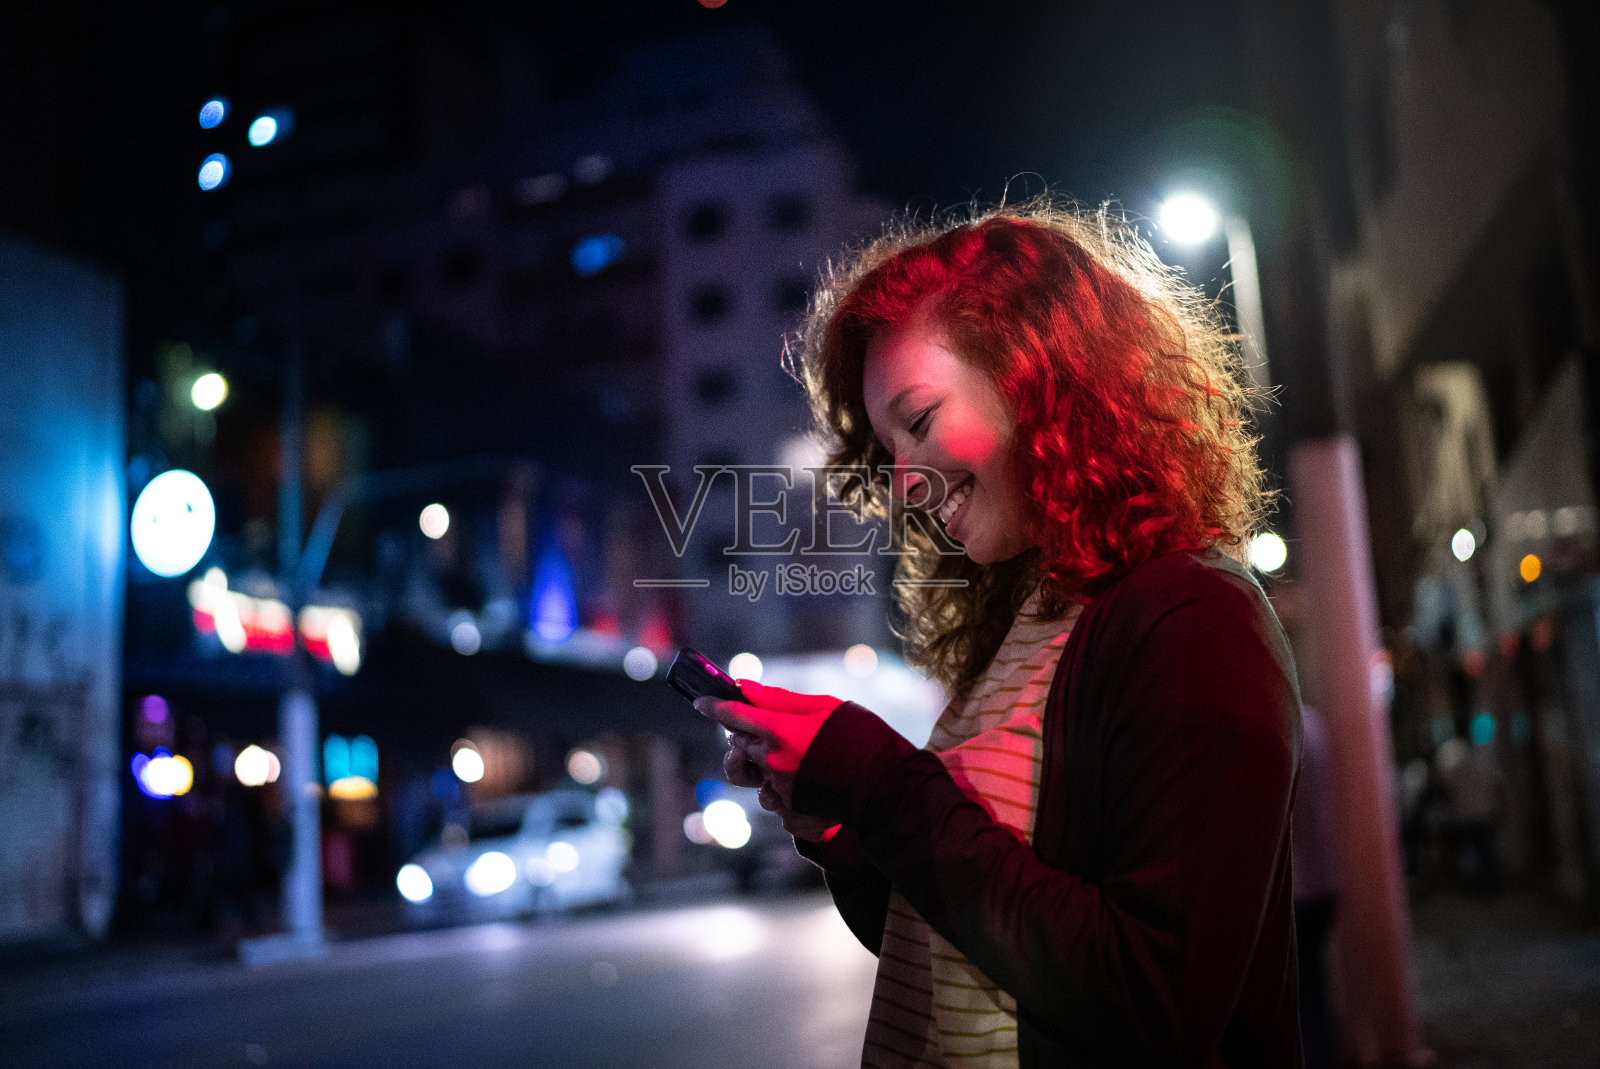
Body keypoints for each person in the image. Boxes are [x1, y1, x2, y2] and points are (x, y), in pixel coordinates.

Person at [697, 199, 1304, 1067]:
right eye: (888, 449)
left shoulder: (1193, 618)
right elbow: (967, 946)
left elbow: (1158, 999)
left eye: (919, 420)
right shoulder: (1038, 616)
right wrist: (842, 831)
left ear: (1038, 378)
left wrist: (881, 779)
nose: (905, 482)